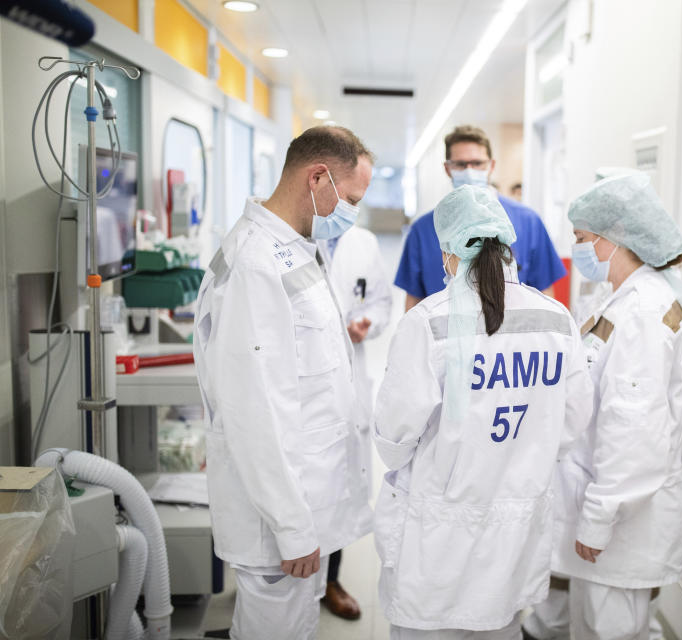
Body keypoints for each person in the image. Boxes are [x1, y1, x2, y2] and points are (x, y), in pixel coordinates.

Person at [373, 185, 594, 638]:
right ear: (509, 246)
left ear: (450, 251)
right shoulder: (557, 320)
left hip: (437, 539)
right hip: (515, 533)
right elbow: (571, 425)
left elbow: (394, 440)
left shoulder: (428, 323)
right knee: (502, 628)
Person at [193, 125, 375, 639]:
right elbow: (254, 412)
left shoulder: (295, 246)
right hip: (277, 524)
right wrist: (293, 528)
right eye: (351, 199)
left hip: (303, 508)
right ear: (318, 177)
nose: (352, 213)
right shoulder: (256, 264)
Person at [523, 172, 682, 640]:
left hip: (620, 523)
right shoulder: (624, 300)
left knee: (613, 631)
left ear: (613, 240)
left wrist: (598, 519)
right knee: (599, 628)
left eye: (582, 238)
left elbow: (633, 429)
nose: (578, 248)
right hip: (609, 513)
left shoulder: (640, 311)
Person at [395, 125, 566, 310]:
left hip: (512, 337)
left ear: (491, 166)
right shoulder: (423, 230)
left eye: (477, 164)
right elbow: (413, 302)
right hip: (444, 336)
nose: (469, 170)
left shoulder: (528, 222)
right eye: (460, 164)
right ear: (447, 168)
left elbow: (545, 294)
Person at [319, 223, 394, 620]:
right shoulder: (287, 240)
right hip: (300, 383)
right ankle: (286, 579)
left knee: (339, 481)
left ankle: (329, 580)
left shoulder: (363, 241)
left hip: (349, 374)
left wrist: (367, 323)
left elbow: (381, 302)